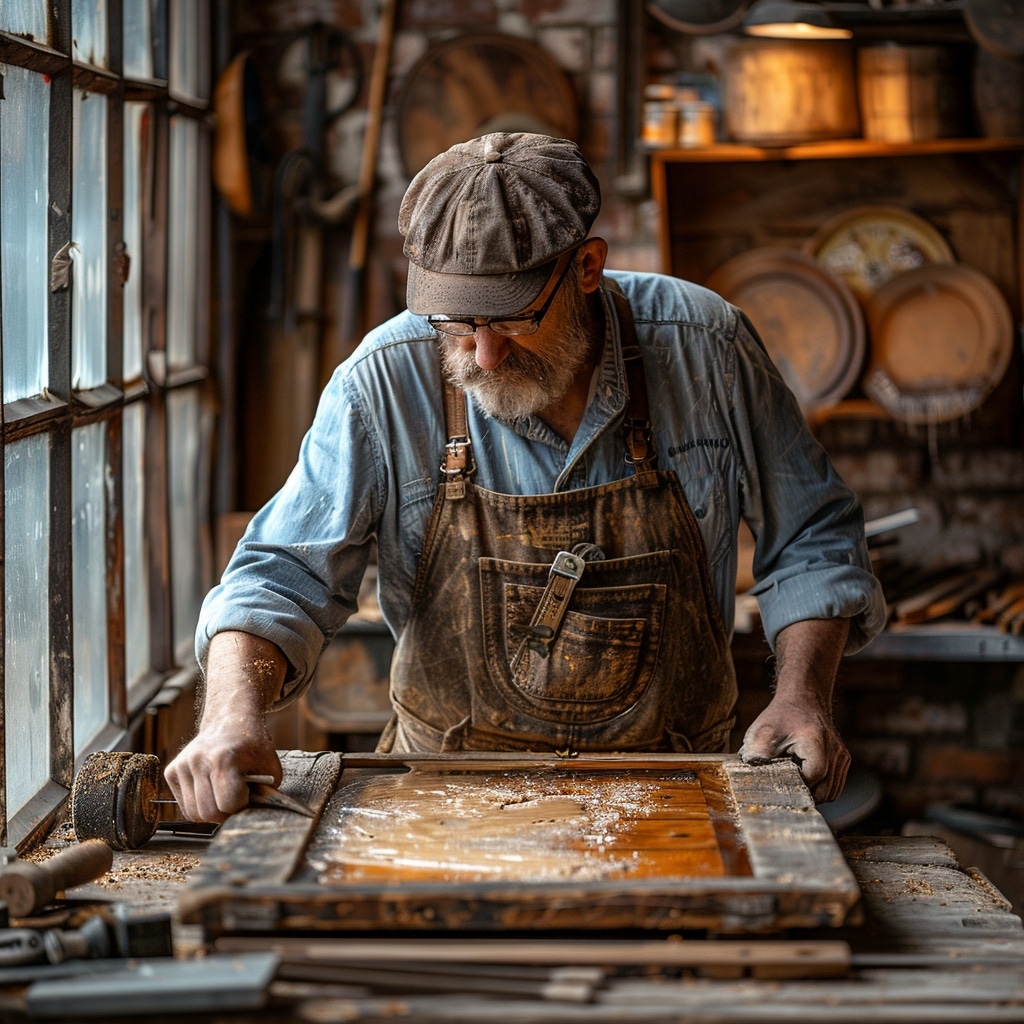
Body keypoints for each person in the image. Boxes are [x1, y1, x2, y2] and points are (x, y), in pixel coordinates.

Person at [166, 132, 886, 823]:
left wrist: (803, 696)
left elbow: (814, 537)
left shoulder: (707, 348)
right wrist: (232, 716)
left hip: (678, 794)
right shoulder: (383, 379)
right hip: (446, 802)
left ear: (586, 269)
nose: (480, 356)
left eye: (510, 320)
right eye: (454, 322)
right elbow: (277, 576)